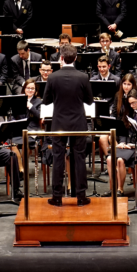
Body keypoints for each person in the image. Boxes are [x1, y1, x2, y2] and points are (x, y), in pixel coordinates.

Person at [43, 44, 94, 206]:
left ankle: (57, 196)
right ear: (76, 58)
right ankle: (80, 196)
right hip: (78, 123)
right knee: (79, 158)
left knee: (58, 158)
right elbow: (89, 100)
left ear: (61, 58)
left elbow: (46, 101)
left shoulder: (52, 77)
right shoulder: (83, 77)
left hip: (58, 123)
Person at [102, 89, 137, 198]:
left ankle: (120, 189)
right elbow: (123, 132)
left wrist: (131, 144)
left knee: (120, 160)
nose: (132, 105)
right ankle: (113, 188)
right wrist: (122, 142)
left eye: (134, 103)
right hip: (126, 146)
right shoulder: (128, 112)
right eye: (130, 103)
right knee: (109, 158)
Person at [99, 74, 137, 166]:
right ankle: (110, 160)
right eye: (124, 84)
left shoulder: (135, 96)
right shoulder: (118, 95)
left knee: (111, 138)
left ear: (133, 85)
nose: (126, 86)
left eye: (129, 84)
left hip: (129, 128)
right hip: (118, 125)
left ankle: (119, 159)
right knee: (103, 138)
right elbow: (114, 112)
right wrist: (111, 124)